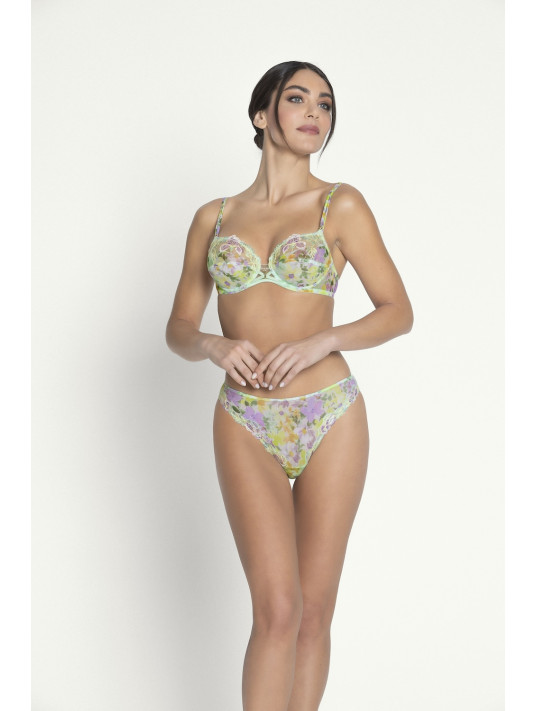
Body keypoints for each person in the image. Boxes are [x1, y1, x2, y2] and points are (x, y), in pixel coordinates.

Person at [166, 60, 413, 711]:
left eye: (325, 104)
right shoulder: (214, 217)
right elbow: (178, 329)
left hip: (331, 413)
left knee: (313, 610)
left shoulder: (341, 204)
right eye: (297, 98)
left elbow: (397, 311)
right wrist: (213, 344)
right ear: (261, 114)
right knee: (276, 607)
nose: (314, 113)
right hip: (244, 418)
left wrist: (321, 340)